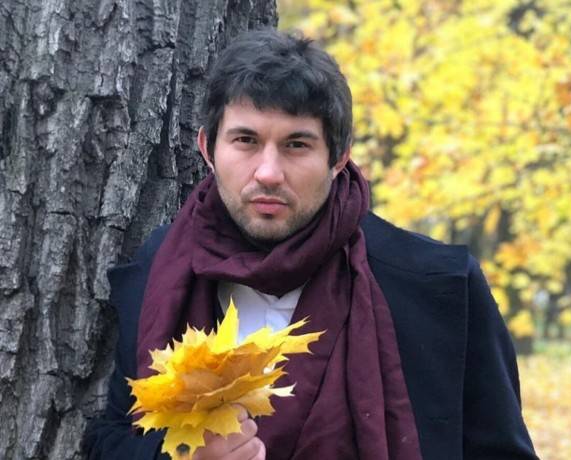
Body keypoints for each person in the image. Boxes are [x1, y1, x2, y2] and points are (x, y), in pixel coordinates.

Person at [85, 28, 538, 460]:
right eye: (245, 140)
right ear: (208, 148)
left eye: (296, 145)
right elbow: (111, 438)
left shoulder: (439, 286)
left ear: (338, 157)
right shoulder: (163, 268)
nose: (268, 172)